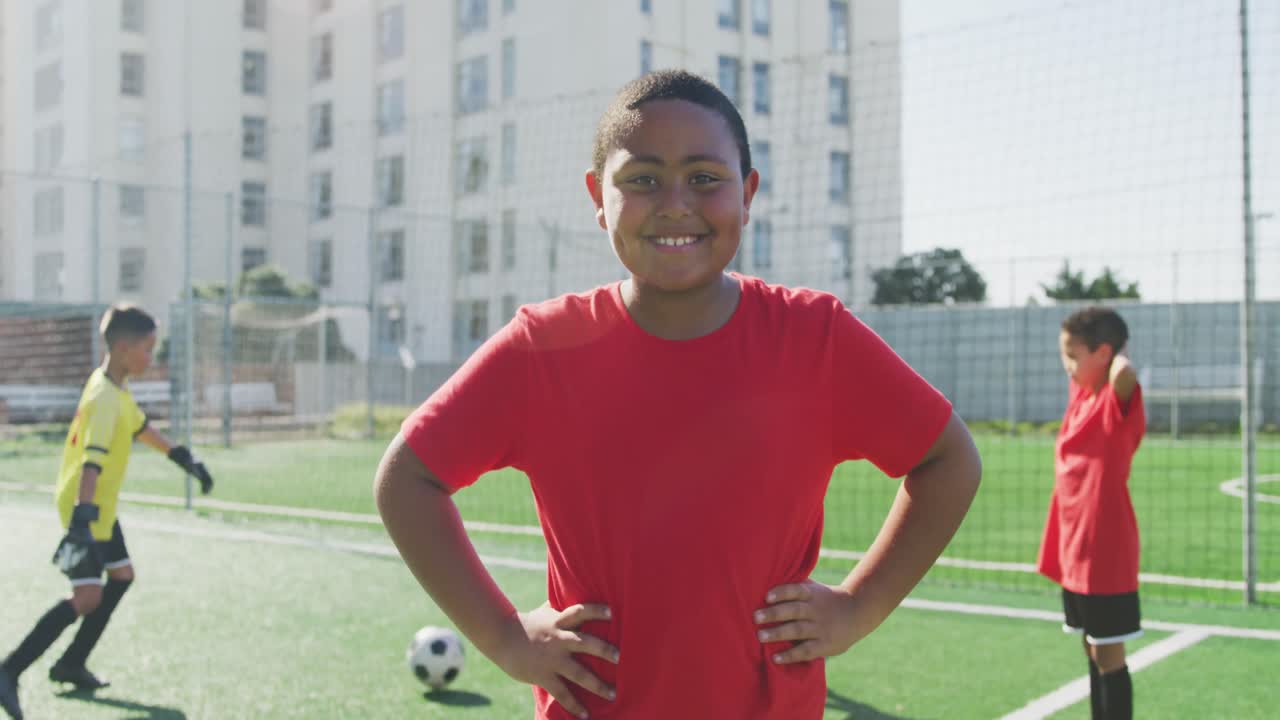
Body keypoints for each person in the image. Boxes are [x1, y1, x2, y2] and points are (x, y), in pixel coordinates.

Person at [375, 69, 982, 720]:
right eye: (641, 179)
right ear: (597, 197)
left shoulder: (814, 338)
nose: (674, 202)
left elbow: (948, 460)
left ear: (747, 194)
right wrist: (503, 636)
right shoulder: (542, 349)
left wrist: (860, 607)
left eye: (704, 177)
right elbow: (408, 478)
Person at [0, 304, 214, 720]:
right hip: (87, 508)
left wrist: (185, 459)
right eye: (148, 349)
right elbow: (90, 464)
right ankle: (9, 670)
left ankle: (70, 664)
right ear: (122, 347)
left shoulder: (114, 389)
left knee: (122, 576)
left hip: (99, 507)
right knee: (88, 596)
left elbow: (142, 429)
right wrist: (81, 521)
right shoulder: (102, 398)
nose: (151, 358)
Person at [1037, 306, 1145, 720]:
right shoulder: (1081, 395)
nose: (1067, 365)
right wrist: (1091, 359)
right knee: (1089, 644)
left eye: (1073, 355)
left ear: (1101, 354)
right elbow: (1095, 369)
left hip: (1105, 549)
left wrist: (1116, 354)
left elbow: (1124, 373)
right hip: (1073, 547)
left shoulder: (1114, 402)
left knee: (1108, 652)